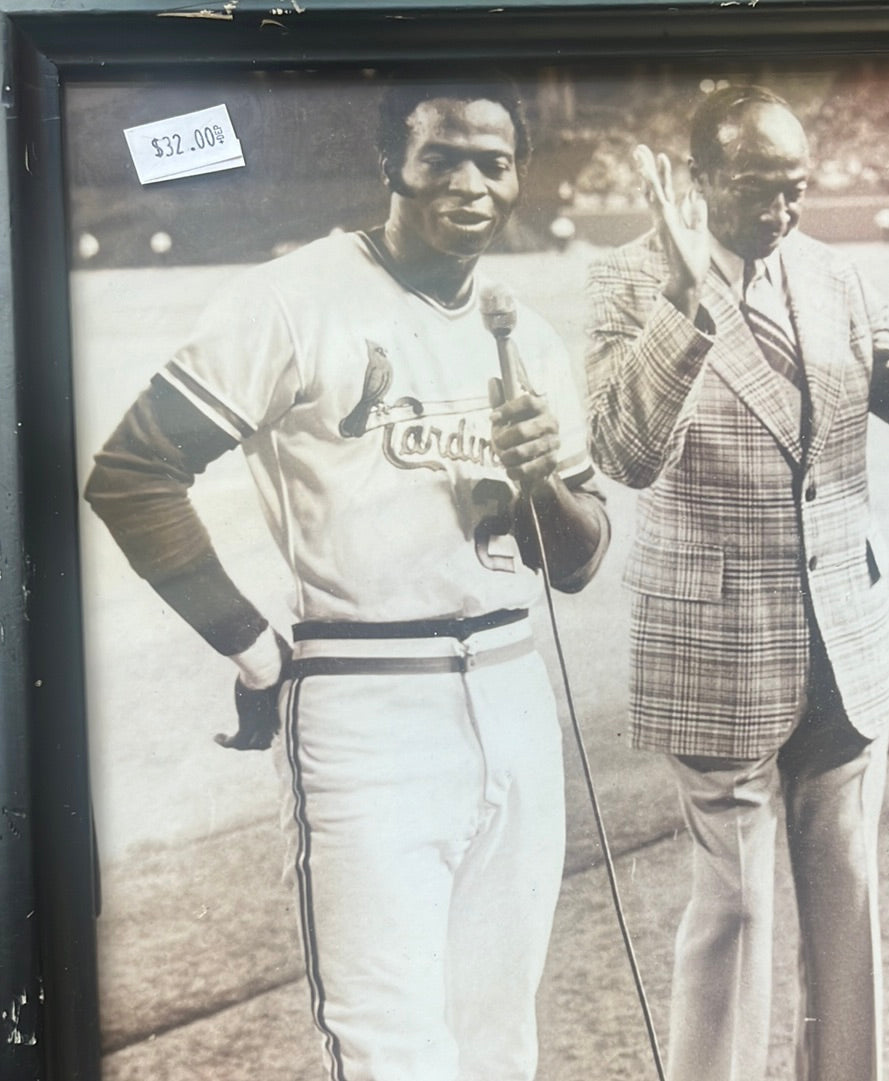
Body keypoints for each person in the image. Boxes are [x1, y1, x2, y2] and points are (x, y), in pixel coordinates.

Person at [86, 74, 610, 1081]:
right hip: (367, 702)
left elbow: (579, 563)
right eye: (439, 157)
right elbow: (133, 474)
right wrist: (249, 648)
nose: (468, 183)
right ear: (390, 166)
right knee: (393, 1052)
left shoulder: (527, 337)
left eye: (491, 164)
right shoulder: (293, 299)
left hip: (513, 688)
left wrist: (543, 473)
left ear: (520, 178)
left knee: (501, 1039)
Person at [585, 85, 889, 1081]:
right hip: (713, 647)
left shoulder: (830, 272)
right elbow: (625, 452)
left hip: (842, 638)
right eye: (760, 190)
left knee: (846, 902)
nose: (781, 211)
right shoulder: (627, 278)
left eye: (796, 190)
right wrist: (685, 305)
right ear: (700, 178)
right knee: (736, 910)